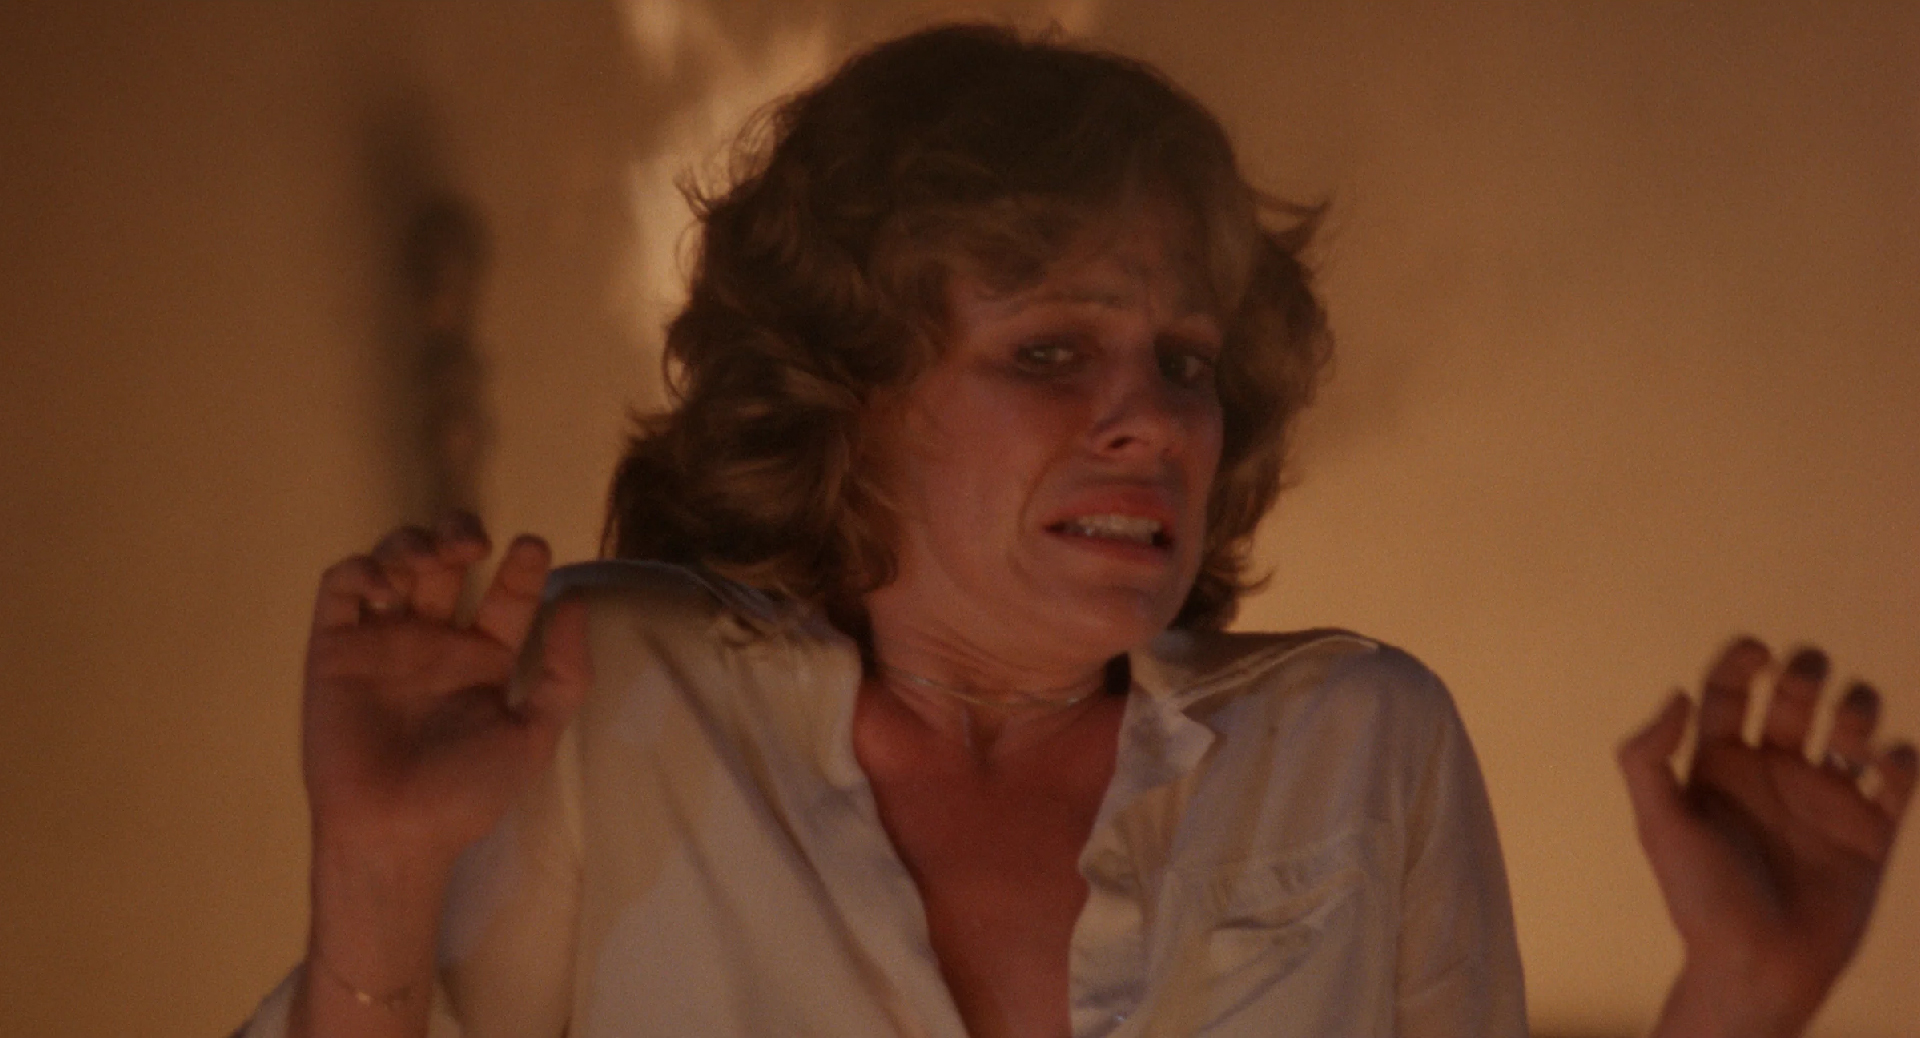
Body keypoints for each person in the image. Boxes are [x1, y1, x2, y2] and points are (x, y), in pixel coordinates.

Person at [244, 24, 1915, 1038]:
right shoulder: (614, 695)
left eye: (1186, 360)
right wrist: (377, 870)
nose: (1156, 418)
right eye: (1050, 352)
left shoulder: (1359, 746)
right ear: (848, 394)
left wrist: (1744, 996)